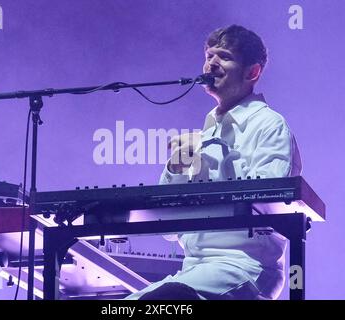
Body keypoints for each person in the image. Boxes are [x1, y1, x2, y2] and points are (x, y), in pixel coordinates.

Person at [125, 25, 302, 300]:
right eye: (209, 55)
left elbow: (269, 203)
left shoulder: (270, 125)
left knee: (162, 302)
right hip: (193, 271)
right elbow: (167, 231)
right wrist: (175, 169)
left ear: (252, 72)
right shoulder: (206, 132)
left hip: (244, 267)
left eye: (224, 56)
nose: (211, 63)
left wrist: (212, 149)